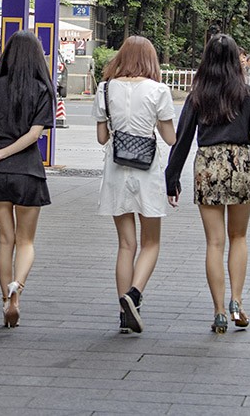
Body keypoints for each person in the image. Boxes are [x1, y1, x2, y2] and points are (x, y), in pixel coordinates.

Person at [166, 34, 250, 333]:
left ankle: (220, 311)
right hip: (241, 162)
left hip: (208, 164)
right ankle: (237, 300)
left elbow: (182, 137)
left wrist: (171, 178)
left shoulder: (198, 92)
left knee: (214, 242)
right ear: (237, 57)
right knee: (238, 237)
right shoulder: (249, 91)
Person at [0, 30, 55, 329]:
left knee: (6, 240)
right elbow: (34, 135)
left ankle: (6, 301)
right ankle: (17, 286)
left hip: (0, 177)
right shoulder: (43, 89)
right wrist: (5, 155)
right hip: (29, 171)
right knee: (26, 241)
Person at [93, 36, 177, 334]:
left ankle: (123, 312)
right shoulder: (159, 90)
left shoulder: (105, 89)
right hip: (147, 172)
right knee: (151, 242)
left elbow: (102, 138)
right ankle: (135, 294)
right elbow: (170, 138)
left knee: (126, 244)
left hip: (116, 171)